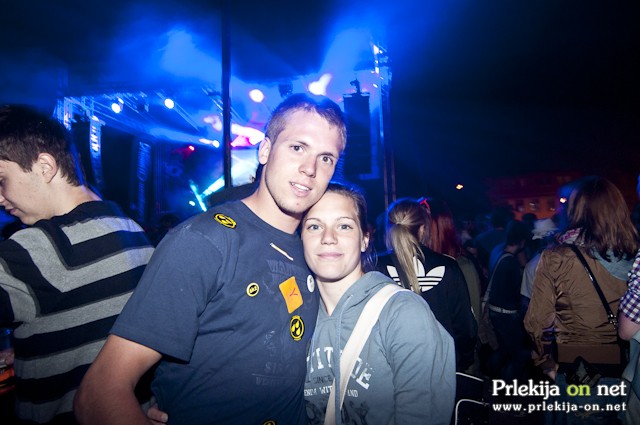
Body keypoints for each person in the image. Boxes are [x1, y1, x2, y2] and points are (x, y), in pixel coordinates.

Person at [74, 93, 347, 425]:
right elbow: (100, 392)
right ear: (265, 150)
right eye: (298, 147)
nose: (310, 169)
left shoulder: (316, 250)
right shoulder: (204, 240)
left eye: (326, 158)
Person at [0, 105, 154, 424]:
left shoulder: (43, 247)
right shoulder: (132, 230)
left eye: (2, 181)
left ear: (45, 167)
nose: (0, 198)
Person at [302, 183, 455, 425]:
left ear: (365, 239)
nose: (328, 238)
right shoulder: (294, 317)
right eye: (314, 226)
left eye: (344, 226)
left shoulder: (403, 314)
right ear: (300, 237)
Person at [524, 176, 639, 425]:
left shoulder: (556, 257)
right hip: (628, 370)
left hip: (576, 367)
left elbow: (537, 321)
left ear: (576, 210)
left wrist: (545, 363)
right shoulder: (634, 255)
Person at [377, 198, 477, 372]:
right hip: (439, 369)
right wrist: (462, 360)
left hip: (388, 370)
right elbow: (465, 326)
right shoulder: (448, 267)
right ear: (422, 228)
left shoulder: (373, 266)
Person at [483, 220, 531, 381]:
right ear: (522, 241)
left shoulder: (497, 251)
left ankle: (490, 377)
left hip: (495, 310)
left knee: (504, 349)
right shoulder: (511, 262)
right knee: (518, 354)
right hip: (506, 314)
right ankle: (508, 386)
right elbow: (516, 293)